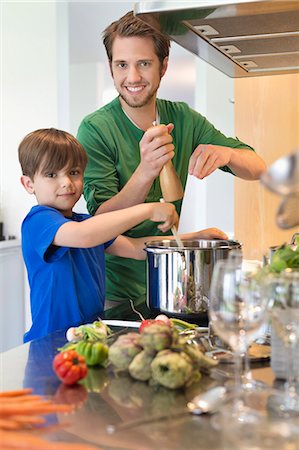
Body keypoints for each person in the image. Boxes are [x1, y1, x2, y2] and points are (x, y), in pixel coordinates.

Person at [77, 11, 264, 319]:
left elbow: (257, 167)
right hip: (111, 294)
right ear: (111, 68)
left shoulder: (183, 118)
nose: (133, 77)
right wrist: (145, 171)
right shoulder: (96, 129)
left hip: (170, 285)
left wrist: (228, 155)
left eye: (144, 63)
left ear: (163, 66)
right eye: (122, 64)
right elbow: (101, 222)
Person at [18, 128, 226, 342]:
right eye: (52, 175)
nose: (66, 183)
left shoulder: (86, 222)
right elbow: (83, 236)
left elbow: (138, 249)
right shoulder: (38, 221)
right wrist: (148, 210)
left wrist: (196, 238)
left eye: (74, 172)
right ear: (29, 184)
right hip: (49, 342)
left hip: (91, 337)